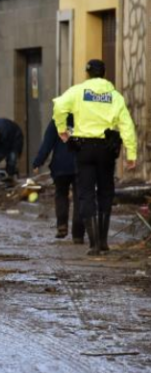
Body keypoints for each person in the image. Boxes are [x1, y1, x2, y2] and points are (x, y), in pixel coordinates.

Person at [53, 59, 137, 256]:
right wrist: (131, 154)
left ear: (87, 73)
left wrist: (62, 129)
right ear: (105, 73)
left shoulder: (77, 91)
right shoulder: (114, 96)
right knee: (106, 190)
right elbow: (127, 125)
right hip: (107, 148)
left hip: (84, 148)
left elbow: (59, 106)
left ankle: (93, 244)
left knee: (86, 192)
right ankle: (104, 240)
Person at [32, 115, 82, 243]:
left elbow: (47, 144)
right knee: (79, 197)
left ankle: (62, 226)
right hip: (80, 164)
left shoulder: (57, 121)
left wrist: (38, 162)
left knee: (61, 194)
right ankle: (78, 234)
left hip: (60, 165)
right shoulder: (83, 118)